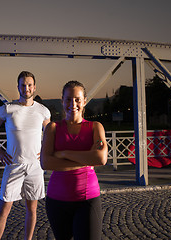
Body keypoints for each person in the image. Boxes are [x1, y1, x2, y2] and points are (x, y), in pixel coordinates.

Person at [41, 80, 108, 240]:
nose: (73, 103)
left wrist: (63, 153)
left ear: (84, 101)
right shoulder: (53, 128)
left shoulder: (95, 127)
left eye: (77, 99)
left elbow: (101, 158)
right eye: (68, 99)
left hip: (87, 200)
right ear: (62, 101)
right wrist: (87, 159)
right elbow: (46, 163)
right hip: (56, 201)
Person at [0, 71, 51, 240]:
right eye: (23, 85)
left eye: (29, 84)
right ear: (18, 87)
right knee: (3, 210)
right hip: (13, 165)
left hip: (35, 167)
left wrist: (45, 149)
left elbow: (51, 132)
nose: (26, 88)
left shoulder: (43, 111)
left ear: (34, 87)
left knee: (32, 209)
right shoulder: (7, 109)